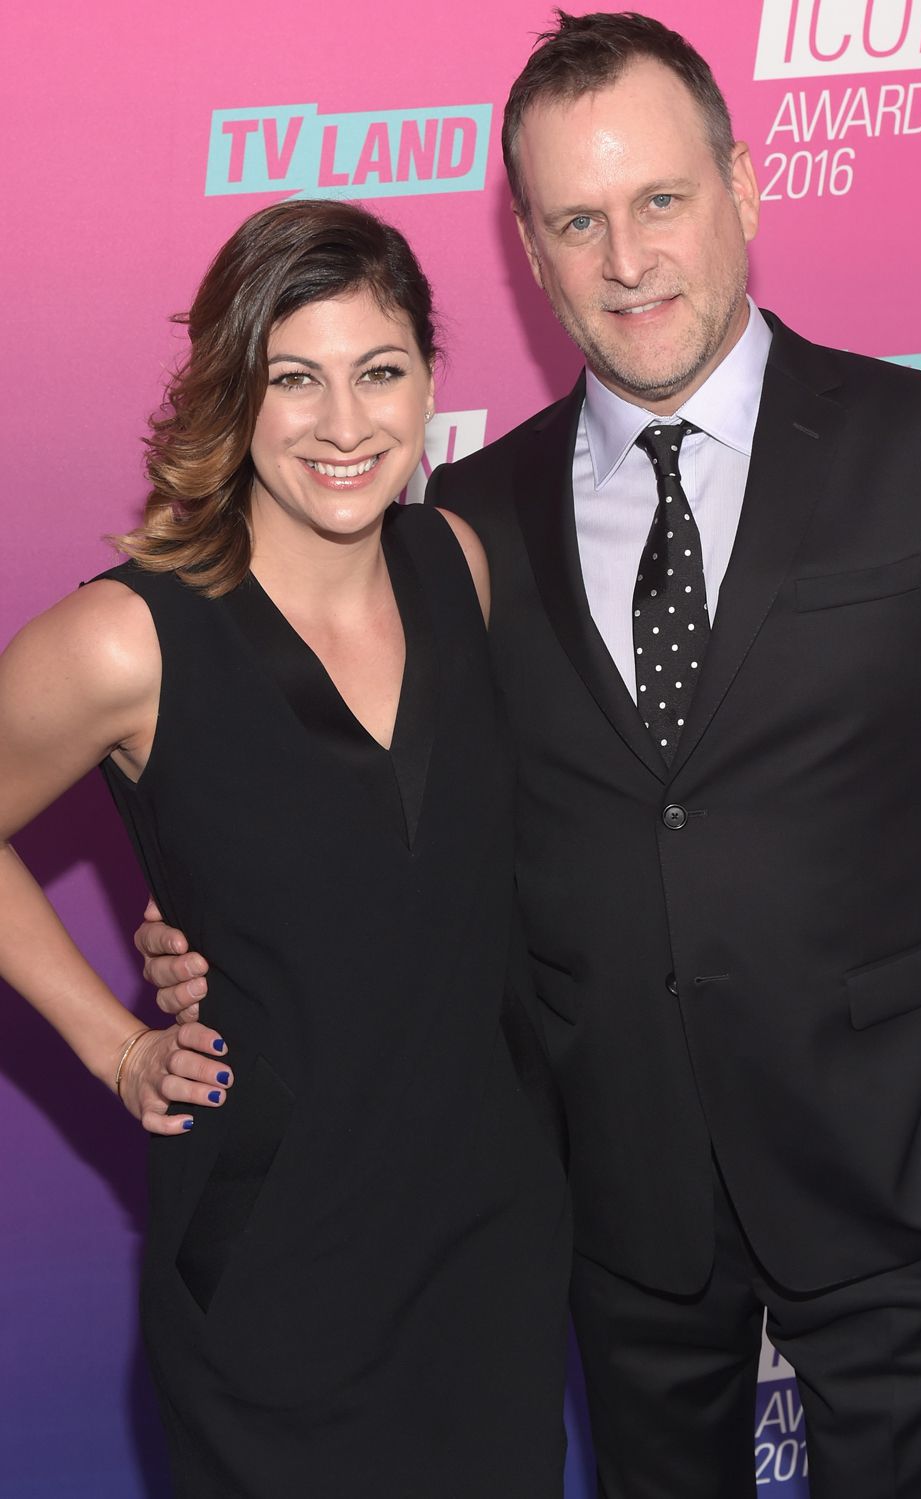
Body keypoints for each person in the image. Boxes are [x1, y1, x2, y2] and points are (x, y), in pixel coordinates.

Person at [137, 10, 921, 1499]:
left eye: (661, 200)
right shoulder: (452, 528)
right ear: (529, 255)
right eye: (576, 222)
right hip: (605, 1198)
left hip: (907, 1181)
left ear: (742, 183)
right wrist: (199, 915)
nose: (627, 259)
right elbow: (372, 807)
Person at [0, 199, 570, 1497]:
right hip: (275, 1281)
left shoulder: (458, 567)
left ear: (430, 377)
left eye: (379, 372)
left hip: (495, 1256)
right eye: (292, 379)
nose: (344, 423)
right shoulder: (129, 639)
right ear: (230, 392)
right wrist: (117, 1041)